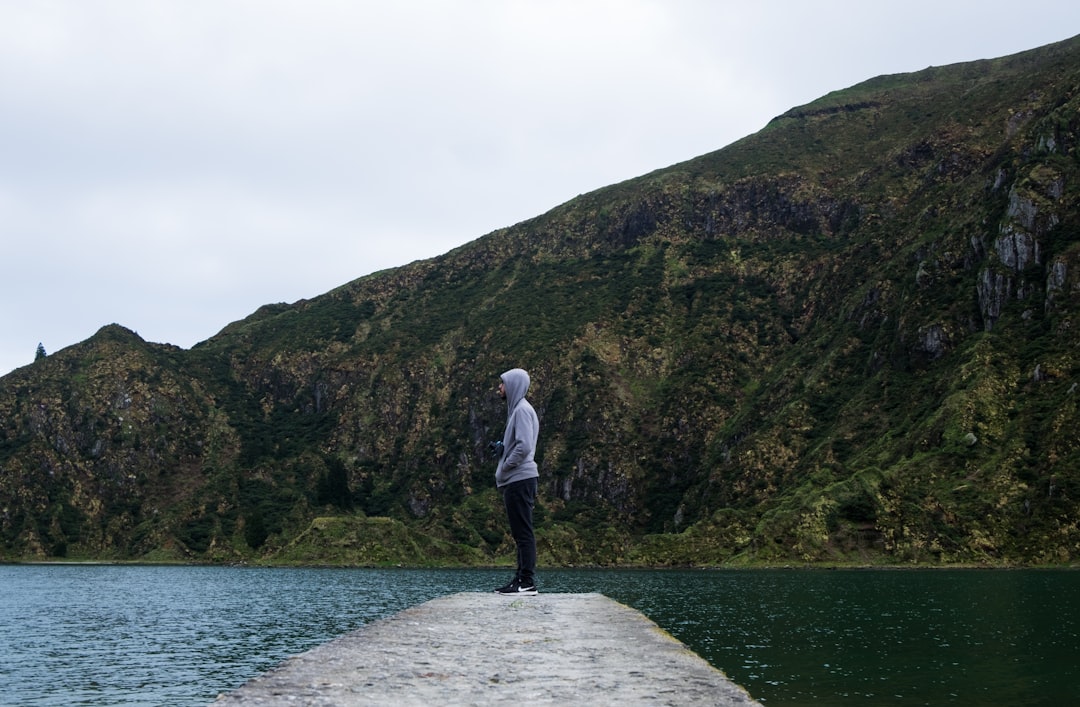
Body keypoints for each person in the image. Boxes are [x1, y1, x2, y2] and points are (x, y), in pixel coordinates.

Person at [493, 368, 540, 595]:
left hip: (520, 479)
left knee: (523, 533)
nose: (499, 388)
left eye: (502, 384)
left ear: (513, 385)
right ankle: (520, 580)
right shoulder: (519, 411)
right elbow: (518, 443)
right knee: (520, 533)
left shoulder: (521, 410)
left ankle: (526, 581)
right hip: (518, 480)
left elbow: (524, 447)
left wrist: (507, 464)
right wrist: (502, 449)